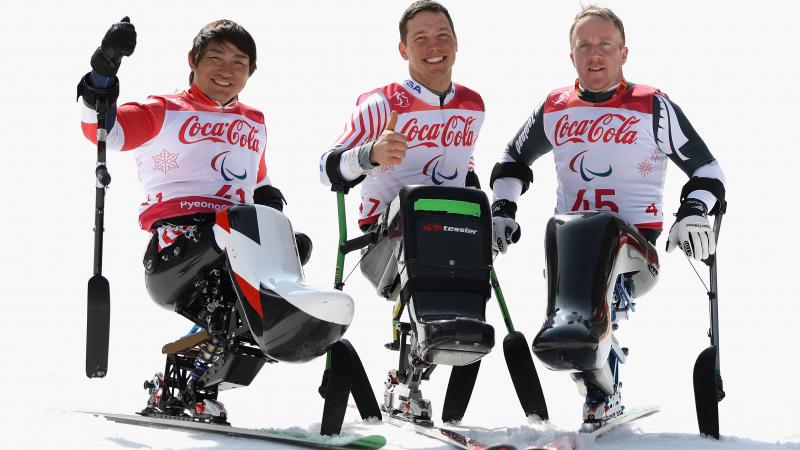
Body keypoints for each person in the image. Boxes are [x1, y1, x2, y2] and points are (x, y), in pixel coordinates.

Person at [489, 5, 726, 427]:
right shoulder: (555, 106)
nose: (594, 54)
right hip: (569, 253)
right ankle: (599, 381)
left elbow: (707, 171)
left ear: (623, 54)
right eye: (584, 46)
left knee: (600, 229)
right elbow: (512, 158)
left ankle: (597, 376)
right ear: (572, 57)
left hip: (635, 252)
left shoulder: (652, 104)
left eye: (604, 45)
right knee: (576, 237)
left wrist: (692, 213)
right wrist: (503, 207)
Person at [77, 18, 310, 419]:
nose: (226, 71)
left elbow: (259, 181)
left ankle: (186, 385)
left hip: (237, 243)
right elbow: (104, 131)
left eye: (239, 62)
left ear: (250, 71)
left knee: (289, 251)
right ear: (194, 60)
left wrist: (275, 215)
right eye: (216, 58)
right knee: (234, 234)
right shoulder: (163, 110)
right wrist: (104, 67)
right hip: (178, 250)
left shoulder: (253, 121)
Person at [318, 1, 488, 422]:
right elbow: (326, 168)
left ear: (457, 42)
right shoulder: (380, 103)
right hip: (386, 240)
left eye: (442, 35)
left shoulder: (473, 104)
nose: (434, 47)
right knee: (419, 207)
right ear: (403, 49)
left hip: (450, 235)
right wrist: (370, 155)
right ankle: (406, 382)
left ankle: (439, 359)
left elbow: (463, 166)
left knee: (467, 213)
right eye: (421, 39)